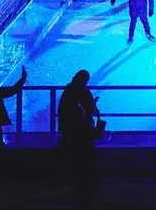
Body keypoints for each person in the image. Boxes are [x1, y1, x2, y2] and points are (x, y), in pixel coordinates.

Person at [57, 69, 101, 209]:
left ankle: (77, 188)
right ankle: (87, 191)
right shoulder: (83, 91)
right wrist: (94, 110)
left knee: (75, 162)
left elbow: (64, 109)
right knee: (87, 164)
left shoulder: (69, 89)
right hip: (82, 137)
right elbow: (96, 132)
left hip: (69, 130)